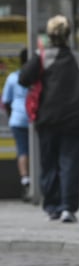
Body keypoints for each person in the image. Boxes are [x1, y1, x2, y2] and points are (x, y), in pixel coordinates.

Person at [18, 15, 79, 223]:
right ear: (69, 35)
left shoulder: (42, 57)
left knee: (49, 164)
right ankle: (68, 207)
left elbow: (23, 78)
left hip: (49, 119)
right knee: (70, 164)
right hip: (76, 121)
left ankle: (52, 206)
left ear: (49, 35)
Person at [2, 48, 31, 200]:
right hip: (35, 118)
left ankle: (25, 179)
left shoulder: (13, 78)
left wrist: (12, 115)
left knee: (22, 150)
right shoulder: (38, 77)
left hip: (18, 118)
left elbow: (6, 101)